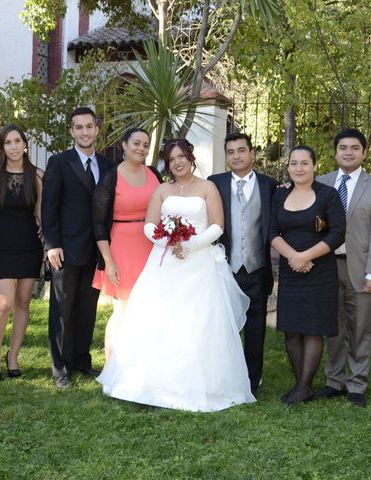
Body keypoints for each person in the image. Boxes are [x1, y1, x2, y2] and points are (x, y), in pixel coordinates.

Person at [97, 138, 256, 412]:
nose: (177, 162)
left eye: (181, 156)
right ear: (167, 164)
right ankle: (154, 383)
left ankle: (202, 384)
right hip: (166, 262)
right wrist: (167, 242)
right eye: (171, 159)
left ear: (190, 158)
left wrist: (192, 245)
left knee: (198, 322)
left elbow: (218, 226)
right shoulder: (162, 189)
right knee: (159, 319)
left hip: (200, 264)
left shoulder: (207, 187)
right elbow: (149, 225)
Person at [41, 107, 114, 389]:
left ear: (96, 129)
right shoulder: (59, 163)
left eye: (89, 126)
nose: (85, 132)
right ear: (71, 131)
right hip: (66, 249)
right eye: (78, 127)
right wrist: (52, 244)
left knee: (87, 308)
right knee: (62, 309)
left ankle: (82, 361)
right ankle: (60, 369)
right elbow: (49, 208)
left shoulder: (108, 166)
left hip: (96, 251)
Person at [269, 146, 346, 405]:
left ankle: (303, 387)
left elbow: (337, 234)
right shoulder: (279, 196)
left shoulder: (328, 195)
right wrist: (294, 257)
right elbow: (271, 232)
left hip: (319, 272)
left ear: (314, 166)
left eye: (304, 163)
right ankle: (301, 384)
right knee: (292, 330)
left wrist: (306, 256)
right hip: (291, 272)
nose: (298, 168)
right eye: (293, 163)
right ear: (288, 167)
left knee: (313, 330)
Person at [317, 128, 371, 407]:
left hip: (360, 268)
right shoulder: (320, 182)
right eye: (343, 147)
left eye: (354, 147)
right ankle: (334, 380)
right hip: (326, 267)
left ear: (364, 153)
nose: (348, 152)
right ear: (335, 152)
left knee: (360, 328)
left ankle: (357, 384)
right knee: (333, 327)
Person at [208, 133, 279, 396]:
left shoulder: (269, 185)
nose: (236, 156)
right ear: (226, 156)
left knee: (255, 324)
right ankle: (224, 374)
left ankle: (253, 377)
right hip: (224, 267)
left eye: (241, 150)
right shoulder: (214, 184)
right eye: (230, 152)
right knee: (223, 324)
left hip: (256, 267)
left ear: (252, 154)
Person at [91, 128, 162, 362]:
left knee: (148, 309)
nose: (141, 148)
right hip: (122, 248)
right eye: (136, 143)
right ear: (124, 145)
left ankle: (139, 363)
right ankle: (111, 365)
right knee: (122, 309)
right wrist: (108, 261)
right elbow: (98, 223)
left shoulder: (154, 174)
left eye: (145, 144)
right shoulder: (111, 178)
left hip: (151, 247)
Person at [0, 124, 44, 381]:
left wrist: (45, 231)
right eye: (8, 142)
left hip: (30, 244)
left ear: (25, 144)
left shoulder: (37, 175)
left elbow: (40, 212)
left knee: (24, 301)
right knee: (4, 302)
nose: (14, 146)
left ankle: (13, 356)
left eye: (18, 141)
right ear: (2, 147)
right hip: (4, 244)